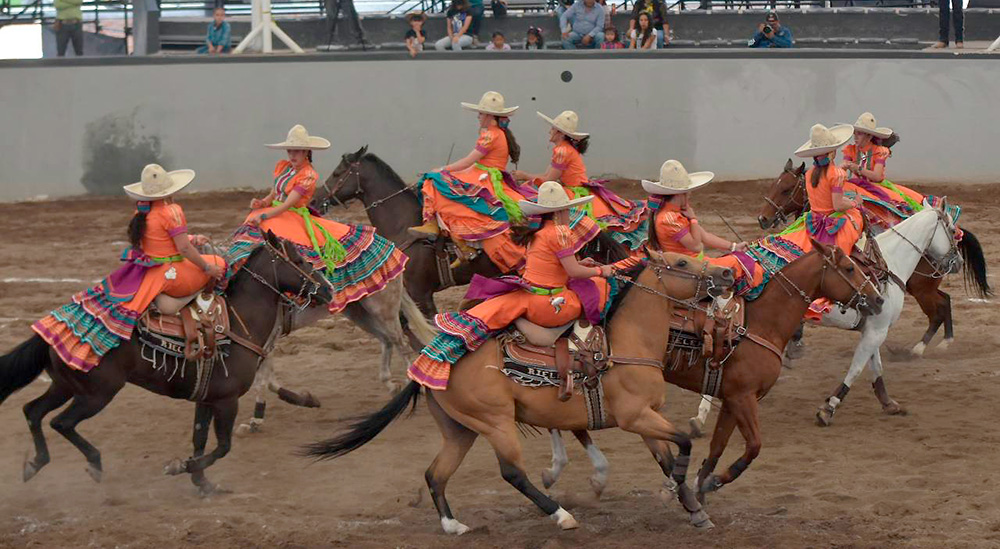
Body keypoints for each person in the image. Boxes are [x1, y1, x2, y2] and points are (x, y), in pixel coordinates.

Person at [406, 180, 614, 399]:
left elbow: (557, 267)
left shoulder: (538, 232)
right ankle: (590, 352)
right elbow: (573, 272)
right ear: (560, 212)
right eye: (567, 210)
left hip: (529, 296)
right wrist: (603, 271)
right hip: (550, 305)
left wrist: (584, 265)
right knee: (600, 289)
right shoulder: (561, 233)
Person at [32, 164, 226, 372]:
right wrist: (207, 268)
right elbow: (185, 249)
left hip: (150, 272)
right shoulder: (172, 211)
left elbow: (158, 239)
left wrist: (191, 238)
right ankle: (195, 311)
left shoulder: (143, 210)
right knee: (220, 263)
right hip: (172, 273)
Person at [232, 125, 408, 314]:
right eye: (290, 150)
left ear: (306, 152)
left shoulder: (308, 175)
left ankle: (297, 294)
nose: (292, 155)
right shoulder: (285, 168)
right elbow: (275, 191)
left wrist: (266, 215)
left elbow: (289, 204)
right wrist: (263, 202)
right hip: (276, 213)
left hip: (291, 216)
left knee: (292, 252)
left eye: (297, 151)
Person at [409, 92, 532, 273]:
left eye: (481, 113)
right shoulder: (499, 133)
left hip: (483, 178)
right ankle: (460, 243)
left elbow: (468, 161)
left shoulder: (490, 135)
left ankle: (433, 225)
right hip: (486, 175)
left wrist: (442, 169)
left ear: (490, 116)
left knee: (433, 181)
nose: (478, 116)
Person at [613, 160, 759, 290]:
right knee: (742, 264)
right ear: (680, 194)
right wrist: (694, 219)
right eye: (687, 192)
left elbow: (704, 236)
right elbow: (696, 246)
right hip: (687, 269)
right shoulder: (670, 219)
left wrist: (734, 247)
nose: (690, 195)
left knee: (738, 259)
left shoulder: (675, 213)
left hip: (692, 264)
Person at [514, 110, 647, 250]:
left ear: (559, 133)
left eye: (552, 128)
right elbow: (547, 176)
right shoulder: (564, 149)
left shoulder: (562, 151)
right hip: (578, 189)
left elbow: (548, 178)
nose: (549, 131)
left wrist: (523, 175)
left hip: (574, 191)